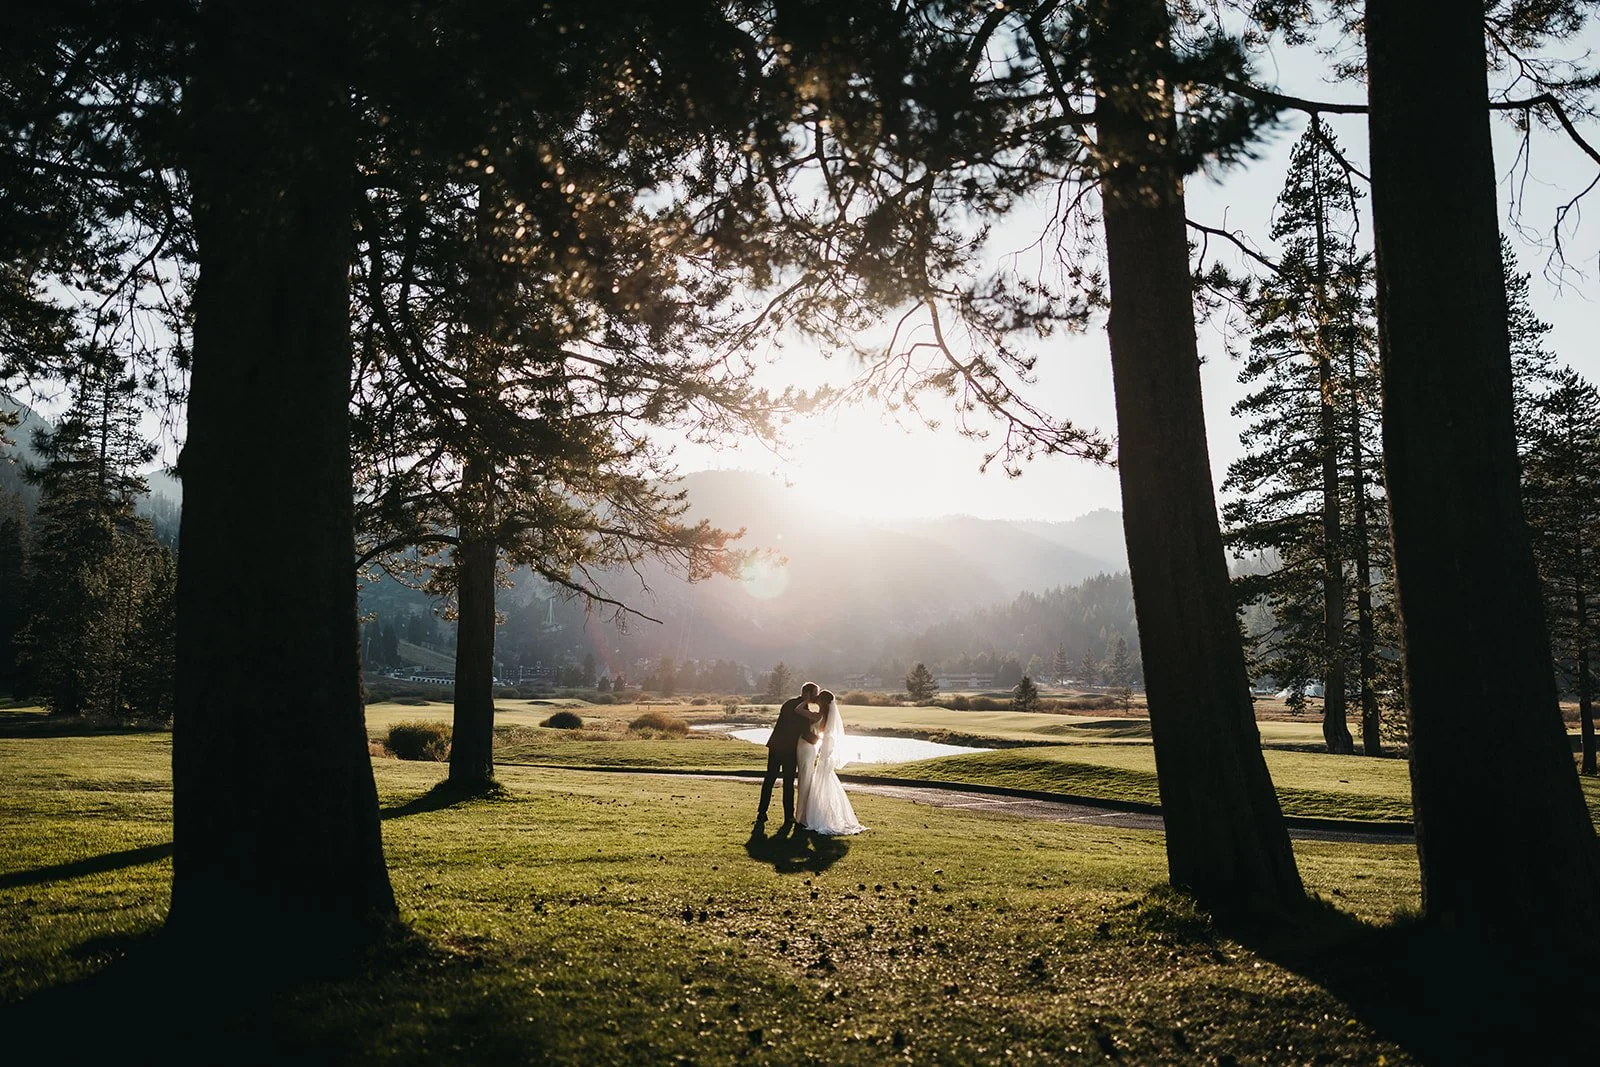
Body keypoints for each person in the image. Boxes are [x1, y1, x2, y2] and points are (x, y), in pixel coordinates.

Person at [795, 690, 866, 836]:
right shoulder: (827, 717)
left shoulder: (818, 716)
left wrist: (806, 700)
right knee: (823, 782)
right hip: (824, 753)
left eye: (819, 698)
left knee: (821, 782)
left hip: (821, 752)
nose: (816, 700)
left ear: (822, 702)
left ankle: (818, 817)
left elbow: (798, 710)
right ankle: (822, 814)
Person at [756, 681, 821, 827]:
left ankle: (762, 812)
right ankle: (788, 816)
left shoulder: (788, 703)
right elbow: (805, 733)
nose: (816, 697)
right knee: (788, 782)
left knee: (770, 778)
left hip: (776, 745)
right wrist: (820, 741)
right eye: (815, 694)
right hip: (789, 749)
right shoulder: (801, 708)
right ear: (807, 693)